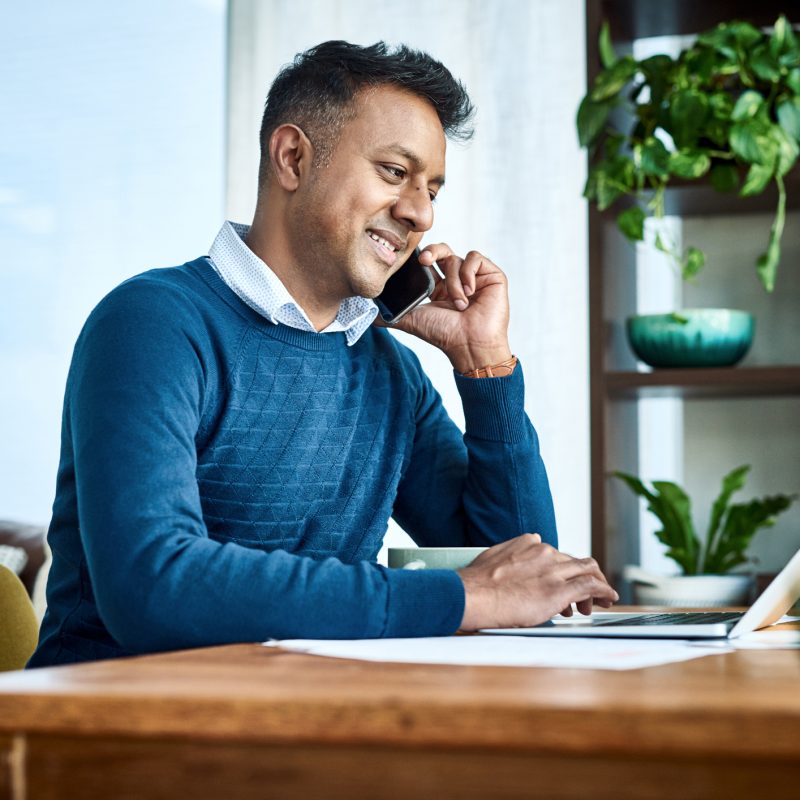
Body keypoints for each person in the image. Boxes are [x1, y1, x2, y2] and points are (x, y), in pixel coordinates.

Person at [28, 40, 617, 668]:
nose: (419, 212)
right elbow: (154, 585)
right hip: (112, 729)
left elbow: (516, 572)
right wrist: (460, 596)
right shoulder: (153, 323)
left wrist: (485, 366)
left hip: (307, 718)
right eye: (395, 172)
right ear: (292, 158)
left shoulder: (388, 370)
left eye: (433, 191)